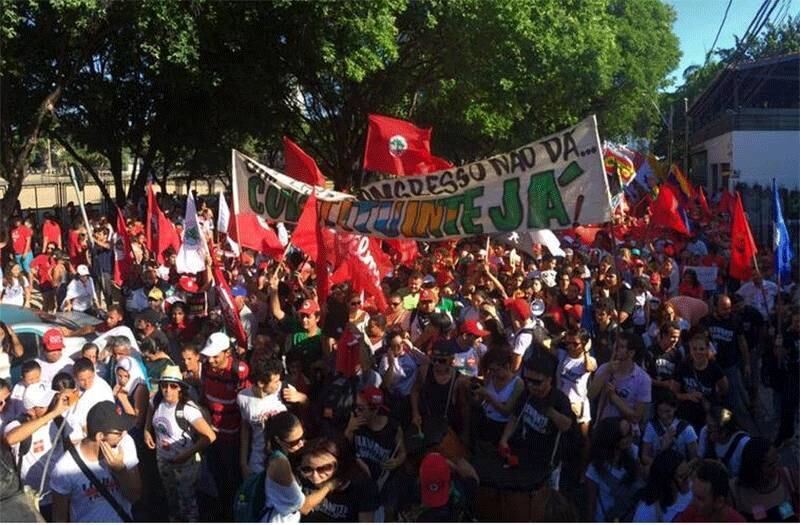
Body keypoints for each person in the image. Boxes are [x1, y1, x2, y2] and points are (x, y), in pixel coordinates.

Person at [144, 366, 216, 522]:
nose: (167, 390)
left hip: (185, 464)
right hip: (164, 460)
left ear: (180, 389)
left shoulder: (188, 410)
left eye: (173, 386)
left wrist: (187, 454)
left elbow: (210, 436)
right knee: (170, 496)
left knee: (187, 500)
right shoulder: (156, 401)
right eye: (164, 385)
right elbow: (150, 409)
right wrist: (147, 430)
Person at [50, 401, 142, 523]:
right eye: (119, 432)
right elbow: (59, 518)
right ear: (100, 436)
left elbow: (135, 496)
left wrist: (121, 471)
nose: (125, 434)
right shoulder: (64, 469)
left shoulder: (125, 444)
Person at [499, 349, 574, 488]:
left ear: (549, 379)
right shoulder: (527, 394)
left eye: (537, 382)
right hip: (525, 455)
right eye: (528, 380)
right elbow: (515, 417)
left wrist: (551, 412)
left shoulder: (559, 399)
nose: (531, 385)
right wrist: (504, 439)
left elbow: (567, 425)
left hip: (547, 462)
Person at [2, 381, 72, 520]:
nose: (51, 404)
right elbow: (10, 438)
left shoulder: (58, 421)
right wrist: (52, 414)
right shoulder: (15, 425)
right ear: (31, 410)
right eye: (44, 403)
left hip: (62, 495)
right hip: (36, 502)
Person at [200, 331, 250, 520]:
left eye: (215, 356)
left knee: (233, 476)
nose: (211, 360)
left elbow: (245, 403)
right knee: (216, 473)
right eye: (209, 356)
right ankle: (224, 508)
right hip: (211, 432)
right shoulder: (206, 367)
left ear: (227, 353)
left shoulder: (239, 371)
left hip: (232, 434)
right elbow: (204, 394)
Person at [297, 437, 379, 522]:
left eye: (323, 468)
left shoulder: (361, 487)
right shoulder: (300, 477)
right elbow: (303, 508)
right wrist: (328, 487)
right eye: (307, 469)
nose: (315, 476)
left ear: (338, 465)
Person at [588, 333, 651, 437]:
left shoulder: (643, 379)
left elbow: (636, 416)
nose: (616, 349)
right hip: (603, 428)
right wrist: (607, 372)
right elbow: (591, 394)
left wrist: (614, 397)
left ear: (631, 353)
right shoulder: (605, 368)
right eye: (615, 345)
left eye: (621, 347)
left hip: (625, 434)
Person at [584, 417, 643, 522]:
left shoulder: (633, 452)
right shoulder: (594, 469)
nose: (631, 437)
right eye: (626, 435)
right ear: (612, 439)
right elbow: (590, 506)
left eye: (630, 432)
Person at [237, 358, 288, 477]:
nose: (278, 384)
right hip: (258, 462)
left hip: (284, 460)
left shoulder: (285, 390)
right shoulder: (243, 397)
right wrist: (243, 463)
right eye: (275, 382)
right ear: (261, 383)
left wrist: (301, 398)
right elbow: (245, 430)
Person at [730, 437, 799, 522]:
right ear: (755, 469)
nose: (777, 467)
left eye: (777, 459)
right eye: (770, 465)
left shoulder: (787, 477)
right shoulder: (736, 491)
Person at [676, 327, 728, 430]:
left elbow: (725, 388)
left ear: (707, 350)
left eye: (701, 349)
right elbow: (673, 393)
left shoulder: (714, 368)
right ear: (690, 350)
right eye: (694, 349)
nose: (698, 352)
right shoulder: (683, 366)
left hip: (707, 416)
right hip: (687, 414)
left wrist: (713, 397)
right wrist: (688, 396)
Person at [262, 411, 307, 522]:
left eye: (303, 437)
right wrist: (329, 486)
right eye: (294, 442)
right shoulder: (280, 463)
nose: (301, 443)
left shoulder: (278, 456)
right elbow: (299, 503)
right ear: (278, 440)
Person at [474, 347, 525, 445]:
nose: (493, 373)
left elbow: (507, 411)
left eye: (496, 370)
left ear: (506, 366)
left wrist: (488, 396)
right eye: (490, 369)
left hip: (501, 427)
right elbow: (479, 402)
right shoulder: (490, 377)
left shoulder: (517, 383)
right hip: (484, 420)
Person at [556, 327, 597, 437]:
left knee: (583, 438)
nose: (570, 347)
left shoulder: (588, 360)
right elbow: (546, 344)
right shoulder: (562, 354)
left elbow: (590, 367)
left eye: (575, 344)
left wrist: (586, 351)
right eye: (568, 343)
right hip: (561, 403)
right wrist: (560, 337)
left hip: (579, 405)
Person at [676, 458, 746, 522]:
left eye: (700, 499)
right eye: (693, 495)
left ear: (719, 501)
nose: (693, 502)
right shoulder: (692, 512)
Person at [640, 390, 698, 468]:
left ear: (675, 408)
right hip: (659, 468)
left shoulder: (686, 429)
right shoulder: (651, 426)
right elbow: (644, 456)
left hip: (681, 471)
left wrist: (682, 469)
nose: (663, 416)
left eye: (668, 411)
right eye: (660, 411)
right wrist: (662, 466)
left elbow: (695, 458)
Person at [633, 449, 692, 522]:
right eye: (682, 477)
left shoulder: (692, 494)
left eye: (688, 473)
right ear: (667, 480)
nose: (688, 481)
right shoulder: (646, 513)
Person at [67, 357, 115, 443]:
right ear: (75, 377)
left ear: (94, 373)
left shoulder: (103, 388)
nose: (87, 382)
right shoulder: (73, 387)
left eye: (89, 378)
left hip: (93, 437)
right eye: (82, 380)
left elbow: (109, 416)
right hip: (74, 435)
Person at [697, 406, 751, 478]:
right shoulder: (705, 432)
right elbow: (700, 458)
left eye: (711, 427)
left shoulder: (744, 443)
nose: (707, 430)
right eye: (707, 424)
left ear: (724, 432)